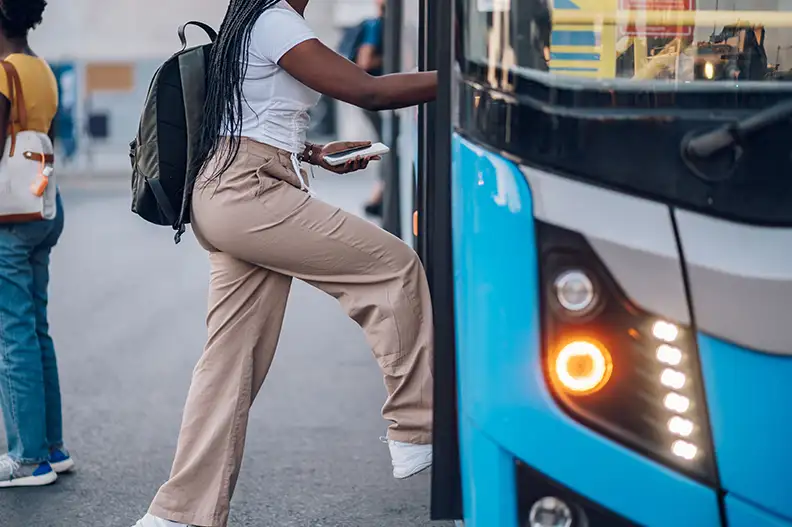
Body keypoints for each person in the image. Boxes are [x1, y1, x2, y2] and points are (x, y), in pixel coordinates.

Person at [133, 1, 437, 526]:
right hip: (248, 192)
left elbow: (249, 120)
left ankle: (177, 515)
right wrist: (470, 75)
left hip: (232, 188)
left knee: (229, 364)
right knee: (394, 266)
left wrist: (315, 153)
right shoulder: (275, 20)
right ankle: (417, 428)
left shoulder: (251, 23)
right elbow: (371, 91)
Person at [0, 0, 73, 488]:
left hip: (9, 213)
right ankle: (51, 447)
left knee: (13, 334)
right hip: (42, 204)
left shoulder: (5, 73)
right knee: (35, 327)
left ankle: (28, 460)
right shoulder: (40, 68)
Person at [356, 0, 387, 217]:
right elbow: (365, 62)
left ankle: (380, 193)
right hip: (378, 97)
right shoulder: (377, 25)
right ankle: (379, 193)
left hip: (378, 98)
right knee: (388, 145)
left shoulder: (380, 23)